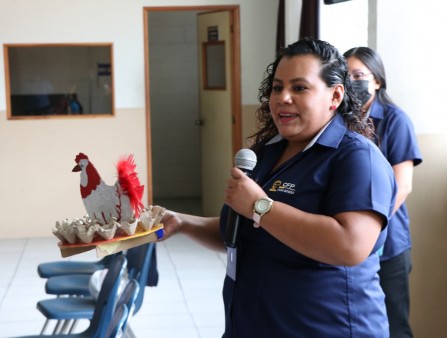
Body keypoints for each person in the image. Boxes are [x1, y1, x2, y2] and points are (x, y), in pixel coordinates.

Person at [160, 38, 397, 338]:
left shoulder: (357, 158)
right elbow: (244, 233)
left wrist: (261, 206)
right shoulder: (266, 152)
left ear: (335, 95)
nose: (283, 97)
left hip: (325, 328)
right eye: (277, 87)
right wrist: (182, 223)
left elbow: (351, 245)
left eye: (299, 88)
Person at [344, 47, 423, 338]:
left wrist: (369, 228)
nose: (353, 81)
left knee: (394, 324)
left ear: (377, 80)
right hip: (346, 243)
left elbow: (403, 185)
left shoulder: (395, 120)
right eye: (346, 74)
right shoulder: (339, 119)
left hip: (387, 245)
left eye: (359, 75)